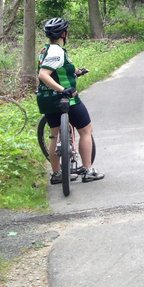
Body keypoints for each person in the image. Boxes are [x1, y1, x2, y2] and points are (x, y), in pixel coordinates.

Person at [36, 17, 104, 184]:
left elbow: (58, 71)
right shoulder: (57, 51)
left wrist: (76, 72)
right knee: (86, 130)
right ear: (64, 33)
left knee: (54, 135)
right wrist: (62, 89)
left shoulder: (45, 50)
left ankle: (57, 174)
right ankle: (88, 171)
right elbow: (43, 75)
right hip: (66, 99)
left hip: (46, 100)